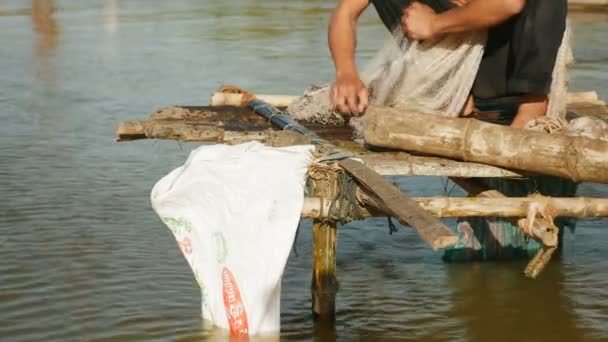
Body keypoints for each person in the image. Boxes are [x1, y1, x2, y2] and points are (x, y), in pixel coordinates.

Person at [328, 0, 567, 128]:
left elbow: (508, 3)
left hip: (503, 65)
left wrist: (434, 23)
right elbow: (346, 12)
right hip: (439, 63)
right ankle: (454, 96)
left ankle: (532, 108)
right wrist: (346, 72)